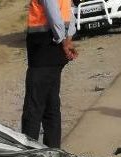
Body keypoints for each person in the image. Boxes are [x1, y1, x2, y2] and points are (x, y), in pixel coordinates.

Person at [21, 0, 79, 148]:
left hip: (44, 50)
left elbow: (53, 13)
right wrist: (68, 39)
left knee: (33, 108)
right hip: (53, 52)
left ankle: (29, 155)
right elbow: (70, 13)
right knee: (50, 106)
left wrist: (63, 42)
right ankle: (53, 152)